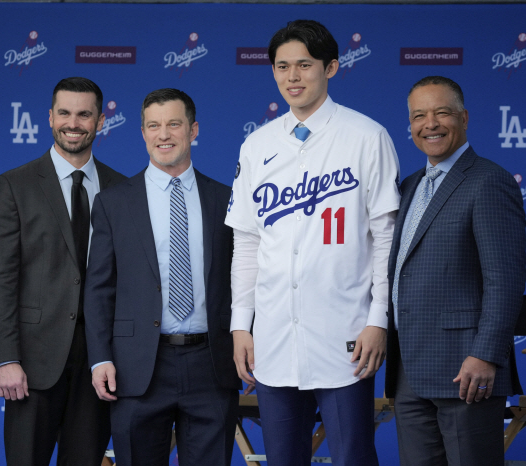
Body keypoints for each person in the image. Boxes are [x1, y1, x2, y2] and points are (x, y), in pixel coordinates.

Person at [226, 20, 401, 466]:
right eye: (282, 66)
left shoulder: (367, 136)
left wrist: (377, 318)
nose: (293, 77)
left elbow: (385, 238)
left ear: (332, 68)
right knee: (284, 460)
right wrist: (241, 325)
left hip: (346, 334)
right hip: (273, 336)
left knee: (352, 458)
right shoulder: (257, 144)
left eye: (304, 65)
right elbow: (247, 243)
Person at [84, 88, 240, 466]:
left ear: (194, 129)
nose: (163, 134)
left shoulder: (227, 200)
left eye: (173, 124)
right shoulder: (113, 202)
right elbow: (99, 287)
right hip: (136, 367)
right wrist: (100, 357)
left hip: (212, 365)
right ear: (142, 133)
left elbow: (245, 281)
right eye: (153, 125)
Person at [0, 77, 125, 466]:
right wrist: (5, 358)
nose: (73, 123)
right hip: (32, 362)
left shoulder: (123, 189)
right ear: (49, 117)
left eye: (84, 114)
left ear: (101, 121)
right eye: (64, 112)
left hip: (100, 362)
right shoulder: (15, 185)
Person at [386, 75, 526, 466]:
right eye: (419, 116)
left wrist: (485, 355)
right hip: (410, 370)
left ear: (464, 118)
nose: (429, 124)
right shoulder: (410, 185)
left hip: (467, 370)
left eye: (441, 112)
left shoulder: (489, 181)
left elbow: (506, 280)